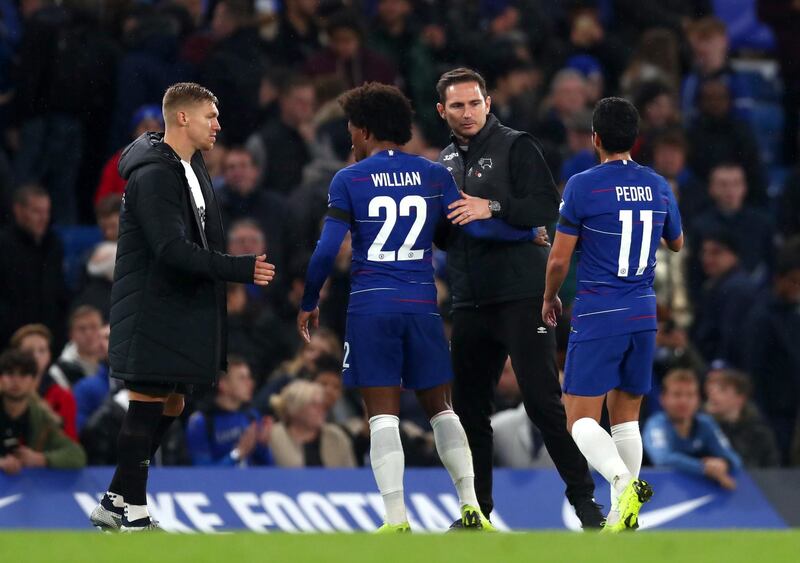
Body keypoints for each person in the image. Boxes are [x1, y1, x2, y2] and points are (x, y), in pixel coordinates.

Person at [297, 82, 542, 532]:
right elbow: (476, 230)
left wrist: (309, 301)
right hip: (423, 308)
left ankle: (396, 518)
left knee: (383, 414)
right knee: (442, 409)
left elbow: (326, 250)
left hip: (372, 309)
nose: (350, 138)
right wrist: (525, 234)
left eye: (352, 129)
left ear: (366, 130)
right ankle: (471, 505)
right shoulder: (434, 175)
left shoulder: (348, 179)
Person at [89, 82, 276, 533]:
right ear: (182, 118)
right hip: (154, 308)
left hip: (181, 309)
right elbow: (170, 248)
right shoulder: (154, 173)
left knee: (172, 402)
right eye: (210, 116)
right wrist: (238, 269)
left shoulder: (192, 169)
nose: (218, 125)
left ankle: (115, 499)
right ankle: (134, 513)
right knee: (147, 403)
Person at [434, 67, 603, 529]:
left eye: (474, 103)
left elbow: (547, 207)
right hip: (469, 299)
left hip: (521, 295)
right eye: (457, 106)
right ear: (441, 111)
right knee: (469, 410)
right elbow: (447, 235)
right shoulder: (444, 161)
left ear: (488, 103)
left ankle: (586, 504)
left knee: (543, 402)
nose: (467, 113)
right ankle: (478, 511)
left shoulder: (516, 145)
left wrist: (491, 208)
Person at [542, 96, 683, 532]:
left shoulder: (583, 185)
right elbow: (675, 242)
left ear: (595, 138)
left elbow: (560, 261)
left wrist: (549, 296)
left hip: (600, 311)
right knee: (626, 415)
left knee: (578, 416)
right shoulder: (659, 185)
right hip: (643, 313)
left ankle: (623, 484)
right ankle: (628, 516)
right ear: (636, 140)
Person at [644, 369, 742, 489]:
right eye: (677, 394)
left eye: (690, 395)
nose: (684, 401)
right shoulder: (656, 424)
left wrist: (724, 465)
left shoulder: (706, 424)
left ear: (698, 399)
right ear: (663, 399)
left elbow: (734, 458)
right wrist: (703, 467)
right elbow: (662, 459)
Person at [0, 349, 86, 474]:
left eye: (23, 374)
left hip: (27, 487)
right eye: (10, 373)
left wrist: (40, 459)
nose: (16, 380)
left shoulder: (41, 417)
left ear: (34, 381)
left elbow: (77, 455)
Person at [185, 357, 273, 466]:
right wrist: (237, 454)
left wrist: (263, 446)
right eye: (242, 378)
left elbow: (268, 468)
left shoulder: (251, 416)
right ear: (223, 384)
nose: (250, 383)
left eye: (249, 377)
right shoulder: (200, 422)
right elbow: (202, 472)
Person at [269, 380, 356, 467]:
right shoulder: (273, 436)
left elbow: (351, 475)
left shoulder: (337, 437)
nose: (321, 409)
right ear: (295, 409)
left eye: (322, 404)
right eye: (314, 405)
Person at [705, 369, 780, 468]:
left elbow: (773, 471)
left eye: (722, 390)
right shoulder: (700, 428)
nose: (713, 394)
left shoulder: (760, 434)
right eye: (712, 389)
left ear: (740, 398)